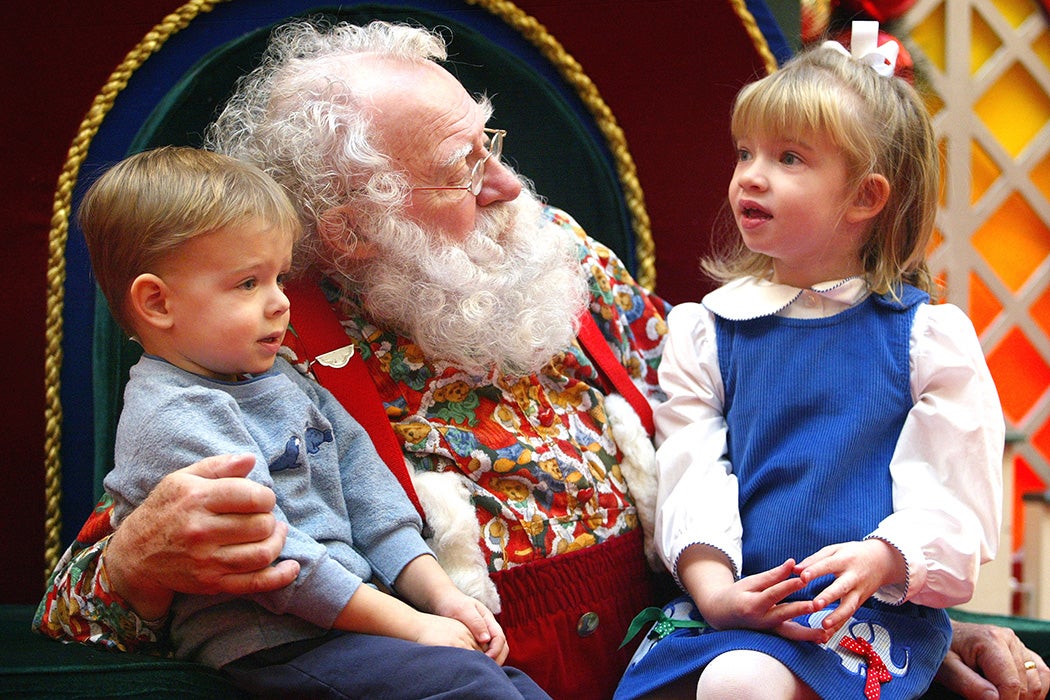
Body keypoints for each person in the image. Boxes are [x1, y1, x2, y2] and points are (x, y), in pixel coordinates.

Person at [34, 19, 1049, 700]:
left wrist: (905, 622)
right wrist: (136, 563)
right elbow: (80, 594)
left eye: (491, 143)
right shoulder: (262, 341)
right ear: (346, 230)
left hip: (699, 658)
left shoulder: (568, 262)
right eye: (457, 170)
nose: (508, 187)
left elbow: (783, 454)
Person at [614, 23, 1004, 700]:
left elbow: (954, 498)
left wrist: (883, 559)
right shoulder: (708, 332)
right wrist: (715, 593)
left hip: (859, 619)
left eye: (789, 158)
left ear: (865, 197)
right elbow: (690, 473)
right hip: (734, 606)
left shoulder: (924, 340)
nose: (750, 177)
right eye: (745, 152)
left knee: (739, 684)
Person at [75, 145, 547, 699]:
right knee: (470, 684)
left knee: (502, 682)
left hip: (348, 626)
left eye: (279, 278)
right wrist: (416, 626)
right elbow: (274, 561)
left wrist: (440, 596)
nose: (280, 303)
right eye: (249, 283)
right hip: (272, 644)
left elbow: (373, 498)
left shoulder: (283, 376)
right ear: (157, 303)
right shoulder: (174, 416)